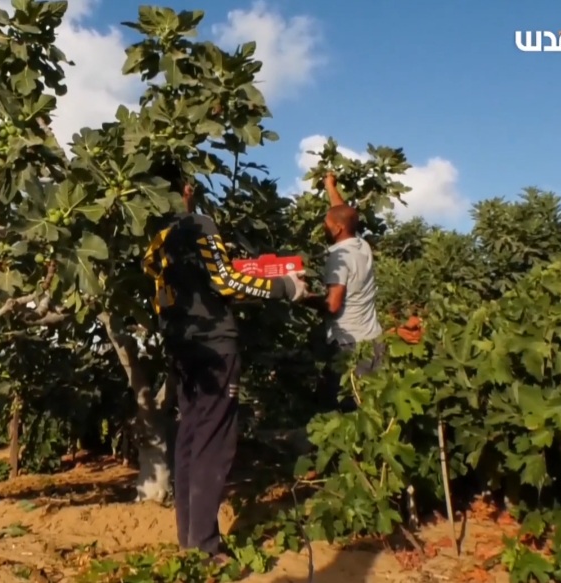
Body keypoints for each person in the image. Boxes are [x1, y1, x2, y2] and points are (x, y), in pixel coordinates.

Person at [142, 160, 308, 562]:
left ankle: (190, 539)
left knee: (190, 438)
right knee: (213, 443)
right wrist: (286, 286)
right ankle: (206, 546)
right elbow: (225, 281)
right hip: (216, 346)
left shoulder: (156, 241)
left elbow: (186, 293)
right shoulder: (199, 225)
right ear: (184, 190)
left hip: (182, 347)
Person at [304, 172, 421, 413]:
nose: (324, 227)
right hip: (373, 342)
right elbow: (342, 212)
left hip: (349, 347)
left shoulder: (338, 257)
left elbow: (333, 305)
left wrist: (302, 296)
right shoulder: (361, 245)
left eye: (326, 224)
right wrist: (330, 186)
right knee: (372, 409)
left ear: (337, 229)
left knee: (343, 413)